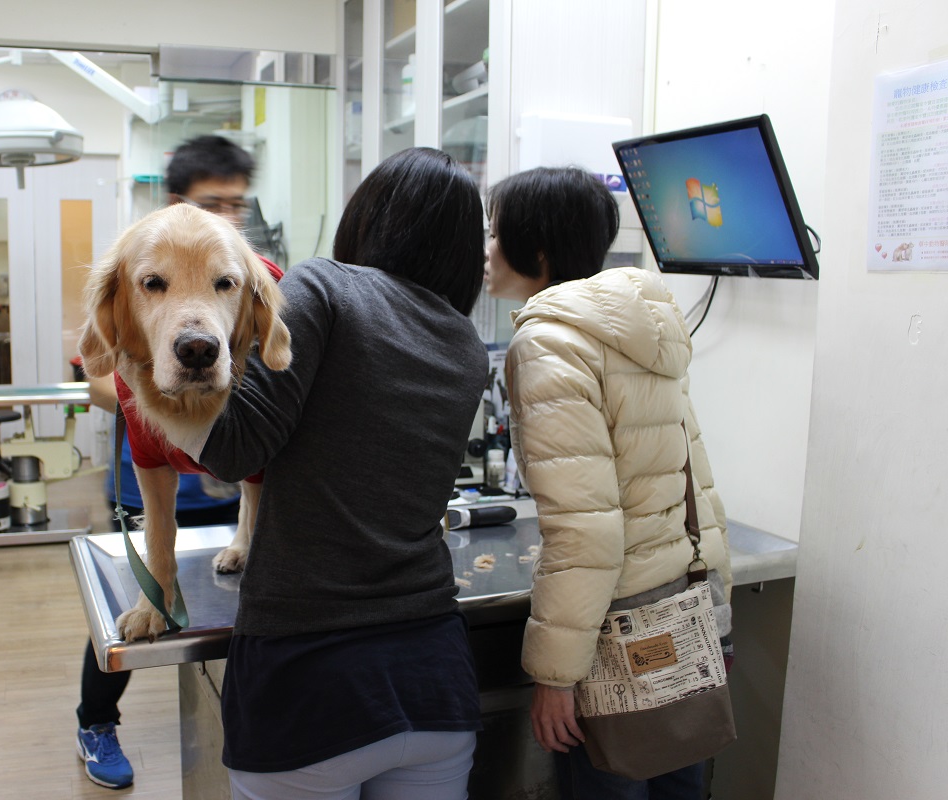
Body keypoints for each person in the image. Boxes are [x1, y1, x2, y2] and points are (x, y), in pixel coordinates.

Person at [158, 147, 488, 799]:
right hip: (435, 678)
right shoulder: (467, 345)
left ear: (368, 217)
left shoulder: (326, 288)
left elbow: (233, 451)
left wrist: (138, 360)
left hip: (307, 680)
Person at [485, 166, 733, 799]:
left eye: (496, 233)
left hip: (614, 632)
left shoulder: (549, 341)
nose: (487, 250)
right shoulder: (644, 325)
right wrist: (720, 617)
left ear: (538, 250)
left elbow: (584, 532)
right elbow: (696, 481)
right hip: (682, 607)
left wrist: (555, 676)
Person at [75, 134, 270, 790]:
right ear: (178, 199)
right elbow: (95, 370)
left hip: (225, 484)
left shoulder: (251, 274)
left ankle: (228, 727)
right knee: (135, 601)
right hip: (151, 481)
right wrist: (142, 392)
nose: (226, 218)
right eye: (213, 203)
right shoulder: (138, 261)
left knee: (230, 610)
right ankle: (96, 721)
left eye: (237, 205)